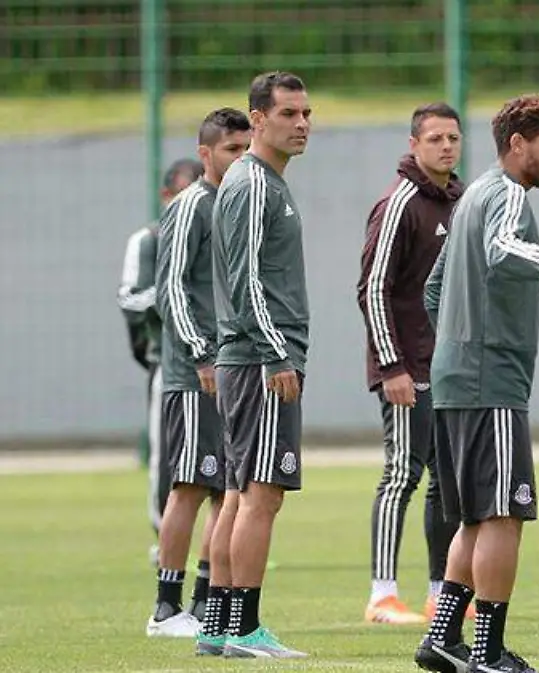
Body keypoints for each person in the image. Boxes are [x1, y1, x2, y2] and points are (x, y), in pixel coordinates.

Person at [413, 94, 539, 673]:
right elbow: (503, 253)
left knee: (478, 518)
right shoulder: (503, 195)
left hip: (458, 377)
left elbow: (435, 287)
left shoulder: (473, 193)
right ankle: (487, 653)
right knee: (505, 514)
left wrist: (456, 341)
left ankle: (442, 640)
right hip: (488, 380)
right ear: (517, 145)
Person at [203, 71, 312, 657]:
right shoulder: (253, 185)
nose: (301, 124)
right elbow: (246, 281)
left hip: (251, 358)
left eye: (306, 113)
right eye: (288, 114)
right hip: (260, 360)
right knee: (260, 494)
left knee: (243, 493)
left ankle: (219, 625)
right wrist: (277, 352)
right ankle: (243, 628)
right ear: (259, 120)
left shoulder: (264, 182)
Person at [356, 103, 471, 626]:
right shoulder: (399, 203)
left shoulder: (462, 200)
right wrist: (391, 366)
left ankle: (437, 594)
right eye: (435, 139)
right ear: (413, 144)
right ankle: (382, 595)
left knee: (445, 482)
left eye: (453, 137)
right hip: (407, 368)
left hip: (449, 370)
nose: (447, 147)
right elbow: (373, 289)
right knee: (402, 472)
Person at [145, 108, 251, 638]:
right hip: (196, 374)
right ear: (206, 154)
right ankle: (165, 607)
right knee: (189, 484)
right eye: (230, 150)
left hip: (233, 369)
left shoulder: (240, 203)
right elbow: (171, 289)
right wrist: (200, 353)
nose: (239, 159)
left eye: (244, 148)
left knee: (226, 489)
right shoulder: (191, 205)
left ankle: (210, 602)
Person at [120, 158, 205, 564]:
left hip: (220, 366)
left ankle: (217, 546)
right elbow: (130, 297)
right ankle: (164, 542)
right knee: (168, 457)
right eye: (179, 196)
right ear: (165, 196)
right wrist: (172, 292)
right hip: (169, 365)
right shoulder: (149, 240)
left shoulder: (214, 230)